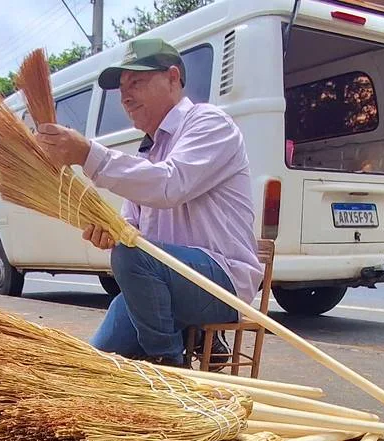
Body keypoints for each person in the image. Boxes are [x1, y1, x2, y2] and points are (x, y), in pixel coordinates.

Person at [35, 37, 262, 367]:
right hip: (164, 288)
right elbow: (133, 231)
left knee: (132, 256)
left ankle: (170, 366)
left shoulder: (209, 123)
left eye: (136, 82)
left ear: (172, 78)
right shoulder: (148, 154)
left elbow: (170, 184)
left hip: (219, 283)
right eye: (122, 88)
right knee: (94, 365)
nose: (125, 96)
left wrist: (87, 154)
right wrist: (110, 232)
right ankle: (184, 337)